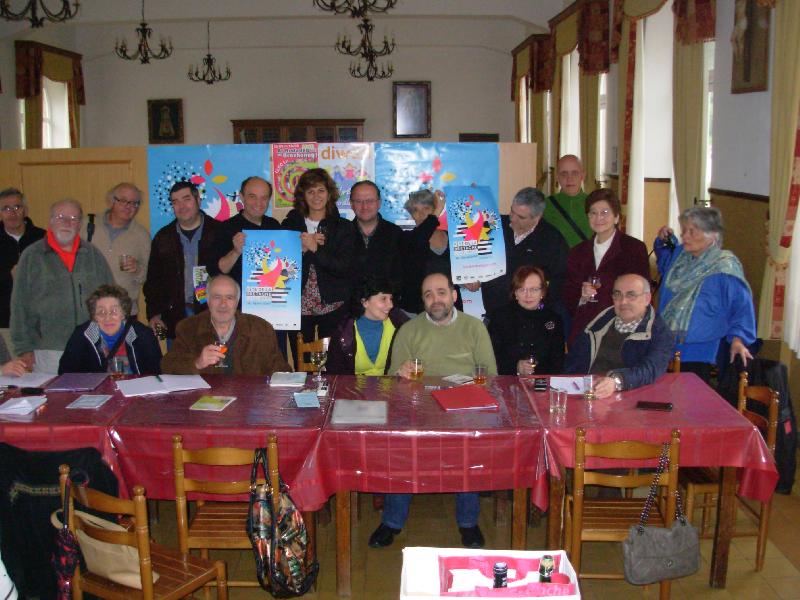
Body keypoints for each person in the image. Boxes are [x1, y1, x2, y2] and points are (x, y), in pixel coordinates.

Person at [369, 272, 497, 550]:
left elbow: (490, 376)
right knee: (401, 441)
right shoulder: (409, 330)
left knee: (469, 441)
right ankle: (392, 521)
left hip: (463, 408)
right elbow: (391, 380)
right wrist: (400, 373)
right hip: (419, 408)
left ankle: (468, 522)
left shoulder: (475, 328)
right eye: (428, 294)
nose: (435, 299)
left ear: (454, 295)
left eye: (441, 292)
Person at [10, 199, 113, 374]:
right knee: (54, 399)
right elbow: (19, 306)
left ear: (80, 224)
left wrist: (111, 339)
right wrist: (23, 349)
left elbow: (112, 300)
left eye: (73, 218)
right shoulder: (32, 256)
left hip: (91, 345)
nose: (67, 222)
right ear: (50, 221)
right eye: (60, 217)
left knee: (93, 397)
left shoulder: (93, 255)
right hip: (48, 350)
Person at [654, 206, 756, 382]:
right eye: (684, 230)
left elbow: (741, 308)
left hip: (700, 353)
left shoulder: (725, 267)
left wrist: (738, 339)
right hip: (665, 345)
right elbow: (664, 265)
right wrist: (662, 241)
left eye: (692, 232)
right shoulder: (680, 255)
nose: (685, 236)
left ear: (712, 235)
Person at [282, 168, 355, 365]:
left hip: (333, 305)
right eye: (310, 191)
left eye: (321, 190)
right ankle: (303, 396)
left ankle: (327, 397)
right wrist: (302, 250)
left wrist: (316, 249)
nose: (316, 196)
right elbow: (279, 268)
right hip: (297, 305)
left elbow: (343, 267)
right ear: (303, 196)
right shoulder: (289, 224)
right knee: (303, 362)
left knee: (330, 362)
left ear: (329, 193)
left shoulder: (344, 227)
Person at [566, 274, 675, 399]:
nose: (623, 301)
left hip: (631, 399)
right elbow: (573, 362)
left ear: (647, 298)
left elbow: (651, 369)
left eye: (631, 295)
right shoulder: (598, 324)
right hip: (587, 394)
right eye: (617, 295)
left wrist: (617, 381)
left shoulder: (659, 332)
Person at [563, 188, 650, 345]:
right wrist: (581, 296)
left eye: (604, 212)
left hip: (621, 329)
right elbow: (568, 295)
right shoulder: (577, 252)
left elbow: (642, 294)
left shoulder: (633, 248)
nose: (598, 218)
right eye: (593, 213)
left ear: (617, 217)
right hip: (585, 330)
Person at [161, 275, 290, 375]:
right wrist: (197, 363)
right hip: (204, 404)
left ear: (237, 301)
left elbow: (282, 372)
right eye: (217, 297)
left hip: (249, 403)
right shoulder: (188, 328)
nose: (223, 304)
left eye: (229, 298)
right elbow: (167, 366)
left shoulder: (261, 329)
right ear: (208, 300)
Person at [143, 181, 220, 340]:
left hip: (215, 315)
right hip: (176, 316)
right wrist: (154, 313)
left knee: (217, 363)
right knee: (179, 364)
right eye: (175, 202)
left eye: (186, 199)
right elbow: (153, 280)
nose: (181, 206)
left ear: (198, 200)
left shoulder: (220, 232)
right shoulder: (163, 238)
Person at [475, 187, 569, 318]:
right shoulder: (495, 225)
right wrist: (471, 276)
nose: (512, 218)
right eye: (512, 211)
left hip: (531, 319)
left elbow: (559, 282)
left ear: (537, 217)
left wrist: (539, 304)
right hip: (494, 315)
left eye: (521, 217)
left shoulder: (552, 240)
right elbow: (471, 250)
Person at [58, 284, 162, 375]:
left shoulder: (143, 335)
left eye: (114, 311)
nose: (108, 318)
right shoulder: (82, 335)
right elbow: (65, 374)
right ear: (94, 316)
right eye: (101, 312)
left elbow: (156, 374)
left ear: (124, 313)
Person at [83, 182, 151, 317]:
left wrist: (137, 269)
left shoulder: (142, 235)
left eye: (134, 203)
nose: (129, 207)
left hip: (124, 311)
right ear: (111, 201)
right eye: (123, 201)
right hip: (89, 309)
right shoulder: (87, 225)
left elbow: (149, 275)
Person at [211, 176, 282, 303]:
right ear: (242, 197)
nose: (258, 203)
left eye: (264, 198)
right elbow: (217, 271)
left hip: (272, 303)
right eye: (252, 196)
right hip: (239, 307)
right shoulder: (226, 228)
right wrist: (236, 252)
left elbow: (283, 262)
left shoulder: (274, 225)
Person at [486, 265, 564, 376]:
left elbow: (557, 362)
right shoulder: (500, 317)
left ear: (542, 292)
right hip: (507, 381)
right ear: (515, 293)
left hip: (543, 383)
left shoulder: (554, 319)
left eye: (534, 289)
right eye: (522, 289)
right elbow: (490, 357)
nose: (528, 295)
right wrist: (516, 367)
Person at [326, 277, 408, 375]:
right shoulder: (343, 331)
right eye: (383, 299)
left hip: (391, 388)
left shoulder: (399, 324)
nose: (390, 305)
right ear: (365, 302)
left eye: (390, 299)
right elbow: (335, 373)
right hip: (352, 388)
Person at [399, 189, 460, 315]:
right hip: (416, 314)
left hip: (450, 311)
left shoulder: (454, 239)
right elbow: (421, 239)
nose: (421, 214)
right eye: (415, 210)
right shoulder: (407, 239)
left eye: (426, 208)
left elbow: (462, 270)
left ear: (433, 209)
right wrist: (435, 215)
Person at [349, 180, 404, 296]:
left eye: (369, 201)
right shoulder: (342, 233)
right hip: (349, 308)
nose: (364, 206)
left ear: (379, 203)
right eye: (358, 201)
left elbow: (401, 276)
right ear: (351, 204)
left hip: (387, 306)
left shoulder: (395, 234)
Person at [0, 188, 45, 328]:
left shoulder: (43, 238)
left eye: (17, 207)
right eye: (6, 208)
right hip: (4, 322)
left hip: (40, 321)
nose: (12, 213)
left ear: (25, 210)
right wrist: (10, 276)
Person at [543, 155, 592, 248]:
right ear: (557, 177)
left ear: (583, 176)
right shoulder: (545, 206)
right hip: (556, 261)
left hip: (587, 261)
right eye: (564, 174)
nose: (570, 179)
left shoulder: (594, 204)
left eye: (575, 173)